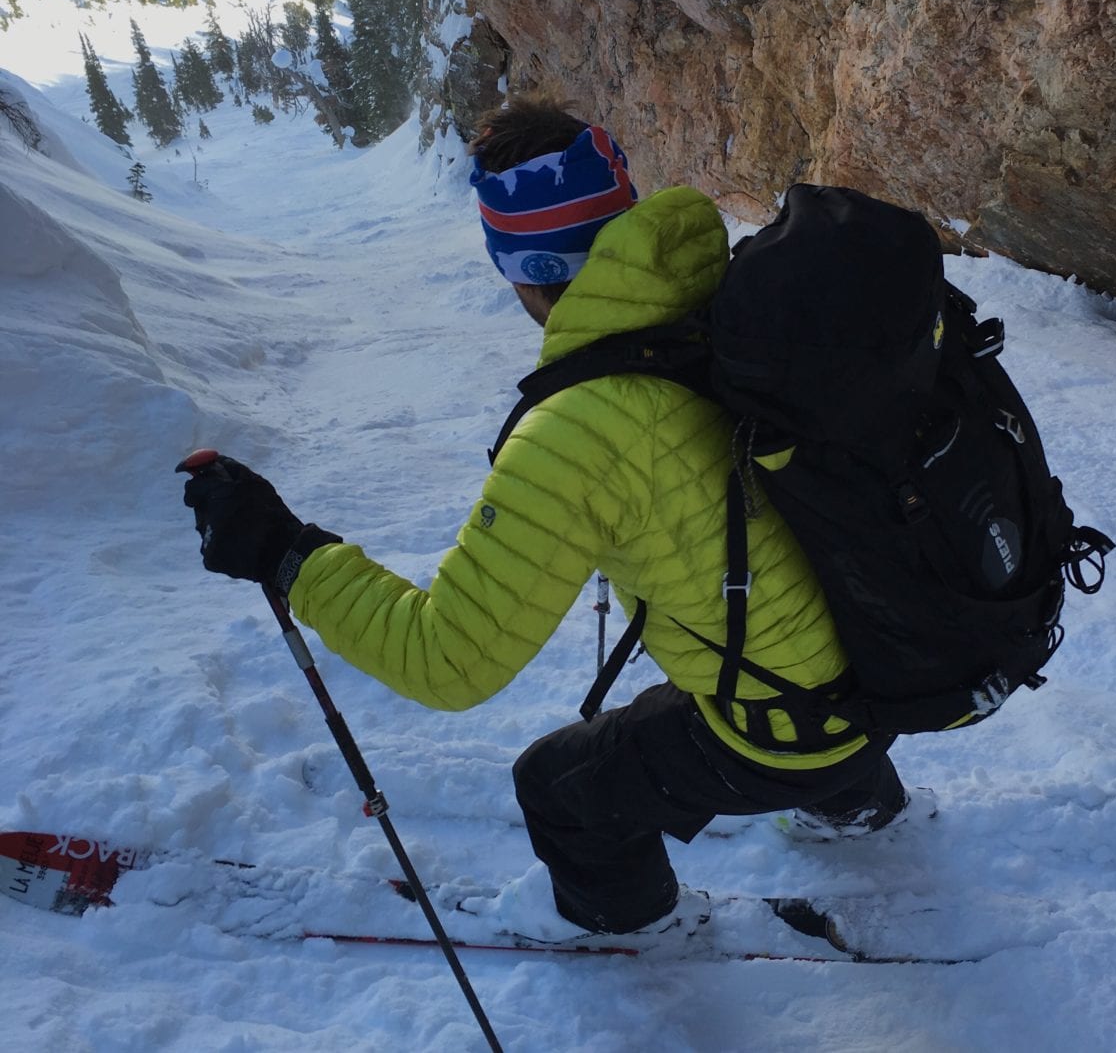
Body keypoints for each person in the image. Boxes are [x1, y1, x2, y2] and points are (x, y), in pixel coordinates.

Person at [181, 95, 922, 945]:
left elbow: (448, 661)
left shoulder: (578, 430)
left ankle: (629, 928)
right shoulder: (737, 301)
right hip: (886, 657)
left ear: (522, 270)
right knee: (776, 650)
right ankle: (859, 801)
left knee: (560, 787)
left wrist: (284, 553)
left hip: (793, 723)